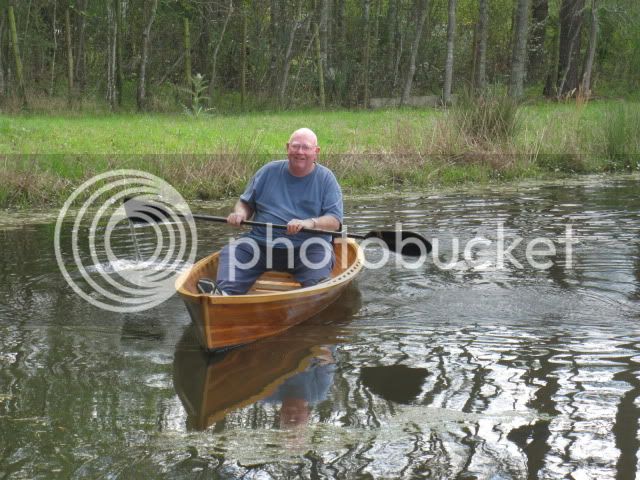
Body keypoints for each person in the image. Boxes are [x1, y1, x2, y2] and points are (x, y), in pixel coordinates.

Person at [215, 128, 343, 295]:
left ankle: (315, 293)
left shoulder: (326, 179)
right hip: (260, 244)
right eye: (295, 146)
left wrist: (308, 223)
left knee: (318, 270)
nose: (300, 152)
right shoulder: (268, 171)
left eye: (306, 147)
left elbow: (334, 221)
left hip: (308, 247)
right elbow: (245, 203)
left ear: (316, 151)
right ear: (287, 147)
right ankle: (224, 294)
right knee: (232, 251)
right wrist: (240, 214)